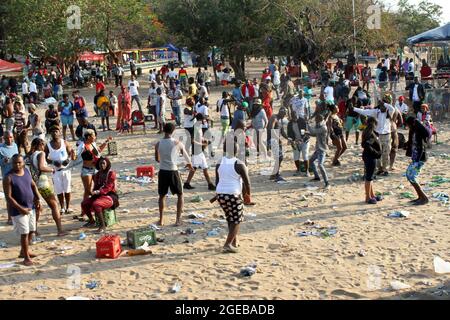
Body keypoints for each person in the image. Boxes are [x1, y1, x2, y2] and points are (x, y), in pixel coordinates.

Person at [214, 138, 251, 253]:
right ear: (236, 150)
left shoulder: (219, 162)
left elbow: (217, 181)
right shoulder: (239, 163)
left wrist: (218, 194)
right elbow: (247, 182)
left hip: (221, 195)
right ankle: (227, 244)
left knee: (230, 218)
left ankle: (234, 241)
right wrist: (247, 195)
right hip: (233, 194)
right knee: (237, 220)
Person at [3, 155, 41, 266]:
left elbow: (33, 185)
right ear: (12, 163)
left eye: (19, 162)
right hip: (18, 210)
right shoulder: (8, 177)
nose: (17, 165)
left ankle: (24, 251)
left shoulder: (26, 171)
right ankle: (26, 257)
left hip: (30, 206)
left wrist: (37, 198)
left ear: (23, 162)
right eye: (15, 163)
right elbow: (9, 197)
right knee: (24, 233)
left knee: (32, 230)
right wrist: (21, 209)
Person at [155, 123, 194, 226]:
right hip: (173, 170)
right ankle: (177, 220)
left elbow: (157, 159)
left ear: (164, 130)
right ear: (173, 131)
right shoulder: (177, 143)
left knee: (162, 196)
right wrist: (190, 167)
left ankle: (161, 219)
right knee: (180, 195)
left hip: (163, 171)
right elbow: (187, 158)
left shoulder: (158, 144)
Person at [29, 138, 67, 236]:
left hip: (35, 183)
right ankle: (60, 230)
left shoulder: (31, 155)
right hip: (43, 183)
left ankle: (34, 230)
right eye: (44, 145)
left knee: (37, 207)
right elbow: (41, 167)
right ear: (41, 145)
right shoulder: (41, 154)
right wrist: (52, 170)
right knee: (54, 205)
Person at [351, 95, 395, 176]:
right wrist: (354, 108)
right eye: (381, 105)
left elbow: (392, 108)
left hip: (386, 135)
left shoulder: (389, 112)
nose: (382, 107)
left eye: (383, 105)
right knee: (377, 152)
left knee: (386, 153)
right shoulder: (376, 111)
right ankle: (380, 168)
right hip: (377, 135)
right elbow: (364, 112)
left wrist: (384, 103)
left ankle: (385, 169)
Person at [81, 157, 119, 232]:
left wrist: (98, 192)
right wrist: (93, 192)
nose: (102, 165)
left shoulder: (111, 174)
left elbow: (108, 188)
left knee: (96, 204)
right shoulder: (98, 174)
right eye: (100, 163)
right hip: (100, 195)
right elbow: (96, 186)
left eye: (103, 163)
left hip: (110, 196)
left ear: (107, 164)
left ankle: (102, 226)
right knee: (84, 203)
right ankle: (92, 221)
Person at [45, 126, 75, 215]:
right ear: (50, 134)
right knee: (59, 190)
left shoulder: (64, 142)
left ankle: (68, 207)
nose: (55, 133)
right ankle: (62, 207)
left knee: (67, 189)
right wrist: (53, 162)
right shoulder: (48, 145)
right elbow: (45, 158)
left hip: (66, 169)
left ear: (60, 132)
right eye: (53, 131)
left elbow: (70, 153)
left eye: (56, 131)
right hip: (55, 171)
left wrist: (68, 160)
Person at [183, 114, 216, 190]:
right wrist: (203, 144)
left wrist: (207, 140)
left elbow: (200, 137)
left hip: (199, 151)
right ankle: (209, 185)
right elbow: (193, 141)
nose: (205, 120)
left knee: (199, 168)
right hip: (197, 151)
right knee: (202, 168)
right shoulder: (196, 127)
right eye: (204, 119)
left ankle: (187, 183)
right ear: (200, 120)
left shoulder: (199, 126)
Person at [78, 129, 112, 202]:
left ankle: (94, 205)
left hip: (95, 169)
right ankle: (84, 209)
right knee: (88, 191)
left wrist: (106, 142)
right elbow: (77, 158)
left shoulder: (92, 143)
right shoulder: (82, 146)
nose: (95, 137)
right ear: (89, 137)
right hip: (87, 170)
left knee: (98, 188)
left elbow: (98, 150)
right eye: (93, 135)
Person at [405, 116, 429, 205]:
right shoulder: (414, 131)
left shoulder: (419, 131)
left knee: (411, 176)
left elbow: (422, 146)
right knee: (411, 176)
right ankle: (420, 197)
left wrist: (416, 161)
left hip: (420, 158)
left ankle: (424, 198)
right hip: (416, 158)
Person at [361, 117, 382, 204]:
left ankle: (372, 195)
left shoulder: (369, 132)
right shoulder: (369, 133)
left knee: (371, 176)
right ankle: (367, 197)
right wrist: (376, 153)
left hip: (369, 156)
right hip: (370, 157)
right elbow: (366, 145)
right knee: (369, 177)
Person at [0, 131, 19, 225]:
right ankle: (9, 218)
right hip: (7, 176)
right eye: (7, 138)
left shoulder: (15, 145)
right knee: (9, 197)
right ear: (4, 138)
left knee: (18, 195)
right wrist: (3, 160)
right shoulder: (0, 148)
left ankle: (17, 215)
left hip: (17, 174)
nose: (9, 139)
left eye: (11, 137)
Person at [307, 114, 330, 189]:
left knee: (320, 165)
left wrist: (308, 124)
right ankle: (317, 177)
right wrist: (308, 133)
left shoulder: (323, 127)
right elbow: (314, 134)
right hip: (318, 148)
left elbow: (313, 131)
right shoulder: (319, 124)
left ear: (319, 119)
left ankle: (327, 183)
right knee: (311, 161)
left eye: (316, 119)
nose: (315, 121)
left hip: (322, 149)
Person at [267, 107, 288, 182]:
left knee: (279, 157)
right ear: (280, 112)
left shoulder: (280, 120)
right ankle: (276, 174)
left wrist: (288, 138)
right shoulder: (274, 118)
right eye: (283, 114)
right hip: (272, 140)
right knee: (279, 157)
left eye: (285, 114)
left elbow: (282, 132)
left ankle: (274, 174)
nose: (284, 115)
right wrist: (277, 138)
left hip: (277, 141)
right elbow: (270, 129)